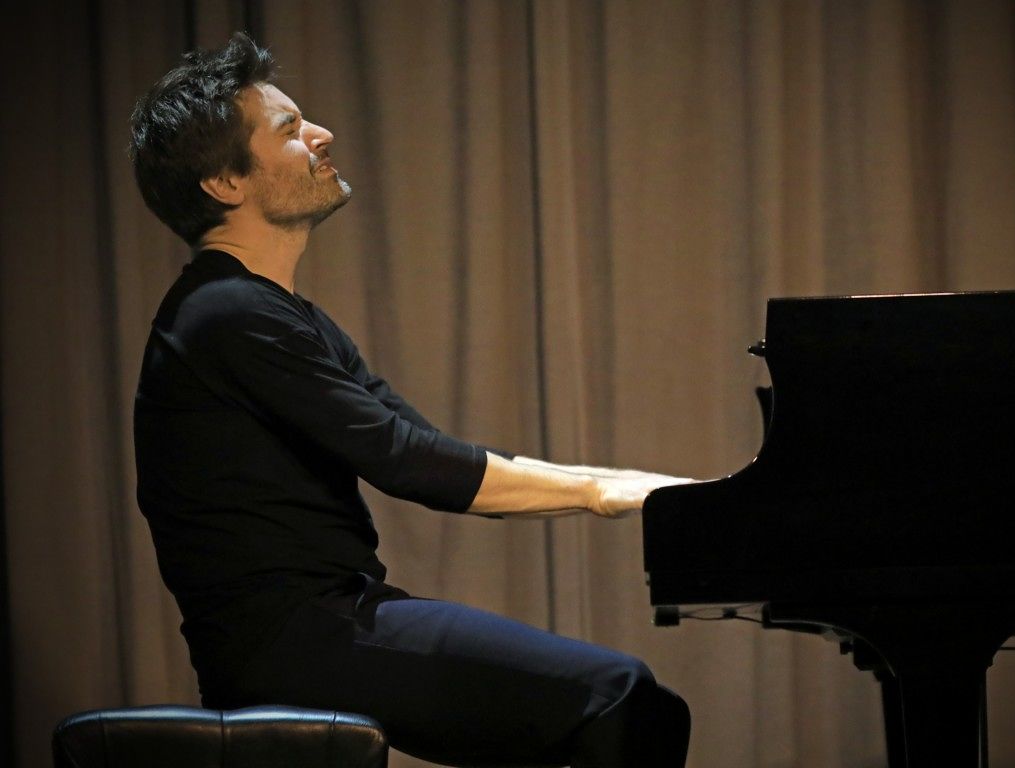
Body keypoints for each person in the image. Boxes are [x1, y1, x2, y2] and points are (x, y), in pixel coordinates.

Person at [128, 31, 692, 768]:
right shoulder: (226, 314)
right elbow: (408, 464)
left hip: (332, 618)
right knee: (618, 697)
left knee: (637, 707)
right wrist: (599, 492)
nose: (322, 134)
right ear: (225, 183)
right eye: (290, 128)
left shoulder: (278, 315)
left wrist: (616, 483)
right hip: (294, 639)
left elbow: (420, 445)